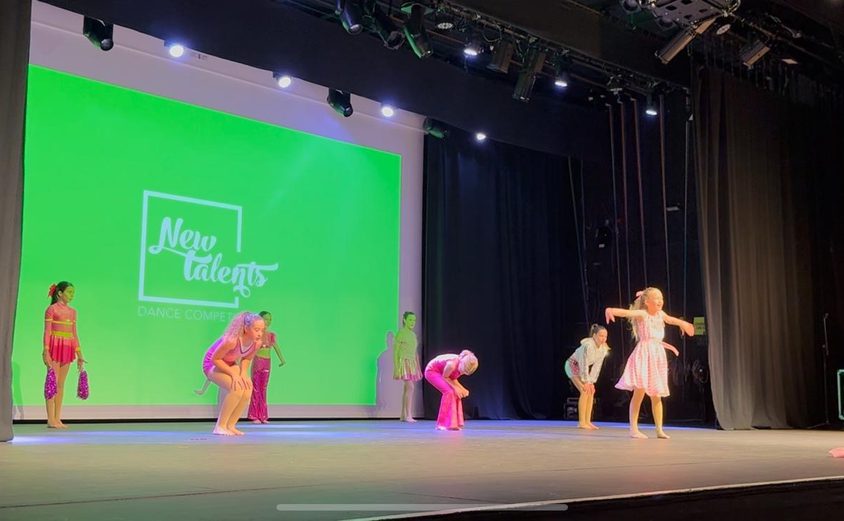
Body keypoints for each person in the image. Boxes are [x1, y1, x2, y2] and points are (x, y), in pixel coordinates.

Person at [605, 287, 694, 439]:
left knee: (656, 394)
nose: (660, 301)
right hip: (644, 354)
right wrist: (611, 310)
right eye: (656, 298)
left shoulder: (661, 314)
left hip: (657, 355)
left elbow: (672, 319)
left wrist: (684, 324)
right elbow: (627, 313)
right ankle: (634, 428)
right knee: (639, 392)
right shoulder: (643, 314)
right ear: (647, 302)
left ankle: (659, 429)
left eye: (662, 298)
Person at [201, 311, 265, 436]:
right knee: (236, 388)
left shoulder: (256, 343)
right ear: (246, 328)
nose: (260, 333)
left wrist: (243, 374)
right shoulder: (232, 341)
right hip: (212, 364)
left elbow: (246, 359)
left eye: (262, 330)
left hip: (229, 363)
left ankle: (230, 425)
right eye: (256, 329)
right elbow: (215, 359)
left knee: (247, 389)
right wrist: (234, 374)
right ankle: (220, 426)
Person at [42, 281, 86, 429]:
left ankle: (57, 418)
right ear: (60, 293)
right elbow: (47, 331)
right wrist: (46, 351)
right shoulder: (51, 310)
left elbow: (74, 334)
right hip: (54, 347)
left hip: (67, 347)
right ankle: (50, 419)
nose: (72, 295)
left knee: (61, 385)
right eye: (69, 292)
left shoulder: (73, 312)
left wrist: (79, 354)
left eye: (73, 293)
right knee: (52, 384)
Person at [565, 324, 610, 430]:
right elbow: (583, 363)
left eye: (605, 336)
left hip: (581, 369)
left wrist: (592, 382)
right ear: (594, 336)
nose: (603, 339)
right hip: (572, 365)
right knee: (585, 390)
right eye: (601, 336)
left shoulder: (603, 349)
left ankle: (588, 421)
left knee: (591, 391)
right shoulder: (587, 346)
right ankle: (581, 422)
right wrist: (586, 381)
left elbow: (596, 367)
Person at [424, 350, 478, 431]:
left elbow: (452, 378)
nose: (462, 373)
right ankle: (441, 424)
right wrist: (457, 388)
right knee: (449, 392)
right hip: (432, 371)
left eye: (465, 373)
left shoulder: (461, 365)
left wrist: (462, 389)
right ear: (462, 363)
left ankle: (454, 423)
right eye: (463, 370)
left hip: (444, 374)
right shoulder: (452, 364)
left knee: (457, 393)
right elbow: (445, 377)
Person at [247, 311, 285, 424]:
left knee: (263, 389)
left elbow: (276, 347)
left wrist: (282, 359)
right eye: (266, 319)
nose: (268, 321)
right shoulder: (256, 334)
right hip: (258, 361)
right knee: (256, 388)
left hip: (267, 362)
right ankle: (254, 415)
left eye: (270, 319)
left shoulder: (271, 335)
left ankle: (263, 415)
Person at [393, 311, 422, 422]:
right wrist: (396, 367)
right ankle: (408, 415)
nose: (412, 322)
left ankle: (403, 415)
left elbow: (414, 352)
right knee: (410, 387)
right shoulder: (401, 333)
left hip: (412, 362)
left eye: (414, 320)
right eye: (410, 320)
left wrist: (417, 366)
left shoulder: (413, 334)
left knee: (407, 388)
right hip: (403, 362)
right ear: (404, 320)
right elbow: (396, 351)